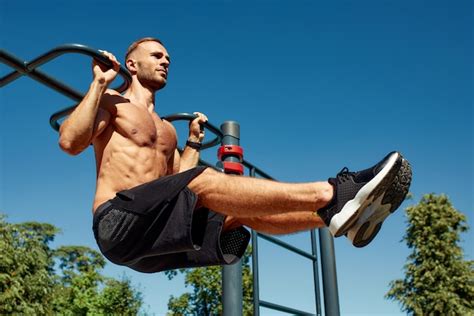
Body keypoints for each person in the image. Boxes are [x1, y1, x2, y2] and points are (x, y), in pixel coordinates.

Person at [58, 37, 412, 273]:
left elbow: (177, 182)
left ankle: (335, 218)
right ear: (131, 65)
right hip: (116, 222)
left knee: (234, 213)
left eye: (168, 57)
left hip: (151, 242)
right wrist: (99, 83)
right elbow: (70, 143)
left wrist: (193, 142)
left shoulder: (167, 129)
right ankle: (335, 193)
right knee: (206, 182)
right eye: (157, 55)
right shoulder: (111, 103)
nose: (166, 60)